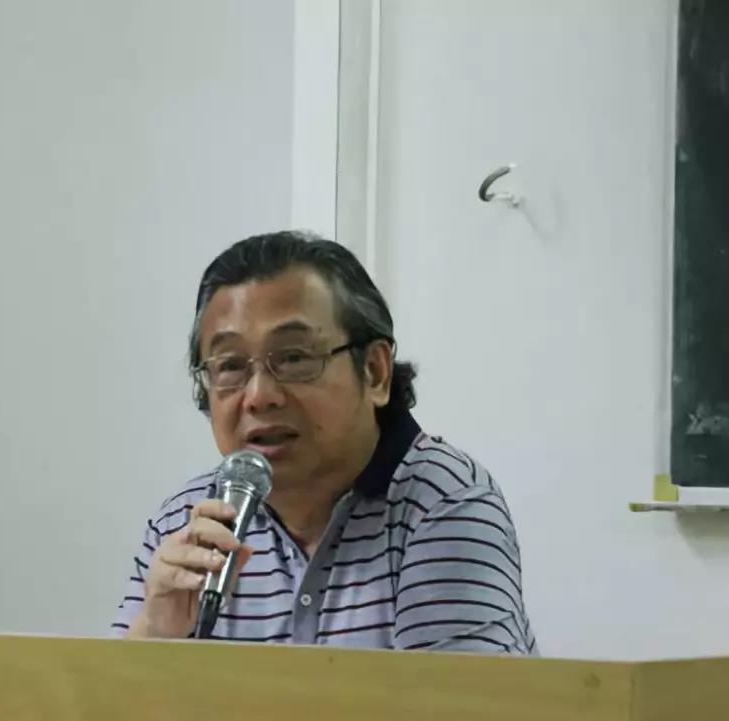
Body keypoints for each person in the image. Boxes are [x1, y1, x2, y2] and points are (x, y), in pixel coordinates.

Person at [111, 231, 536, 654]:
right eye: (230, 366)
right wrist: (154, 631)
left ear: (375, 372)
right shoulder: (184, 523)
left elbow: (458, 696)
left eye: (294, 358)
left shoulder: (442, 503)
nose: (258, 396)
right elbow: (99, 692)